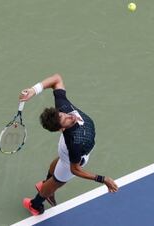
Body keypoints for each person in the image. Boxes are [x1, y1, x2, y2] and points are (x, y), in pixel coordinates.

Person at [18, 73, 119, 215]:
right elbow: (75, 169)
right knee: (59, 179)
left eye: (62, 114)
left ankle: (46, 183)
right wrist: (103, 179)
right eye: (63, 119)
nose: (68, 115)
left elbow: (56, 78)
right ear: (61, 129)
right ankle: (36, 204)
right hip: (72, 156)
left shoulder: (63, 107)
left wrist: (33, 90)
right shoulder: (75, 144)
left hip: (65, 151)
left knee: (60, 161)